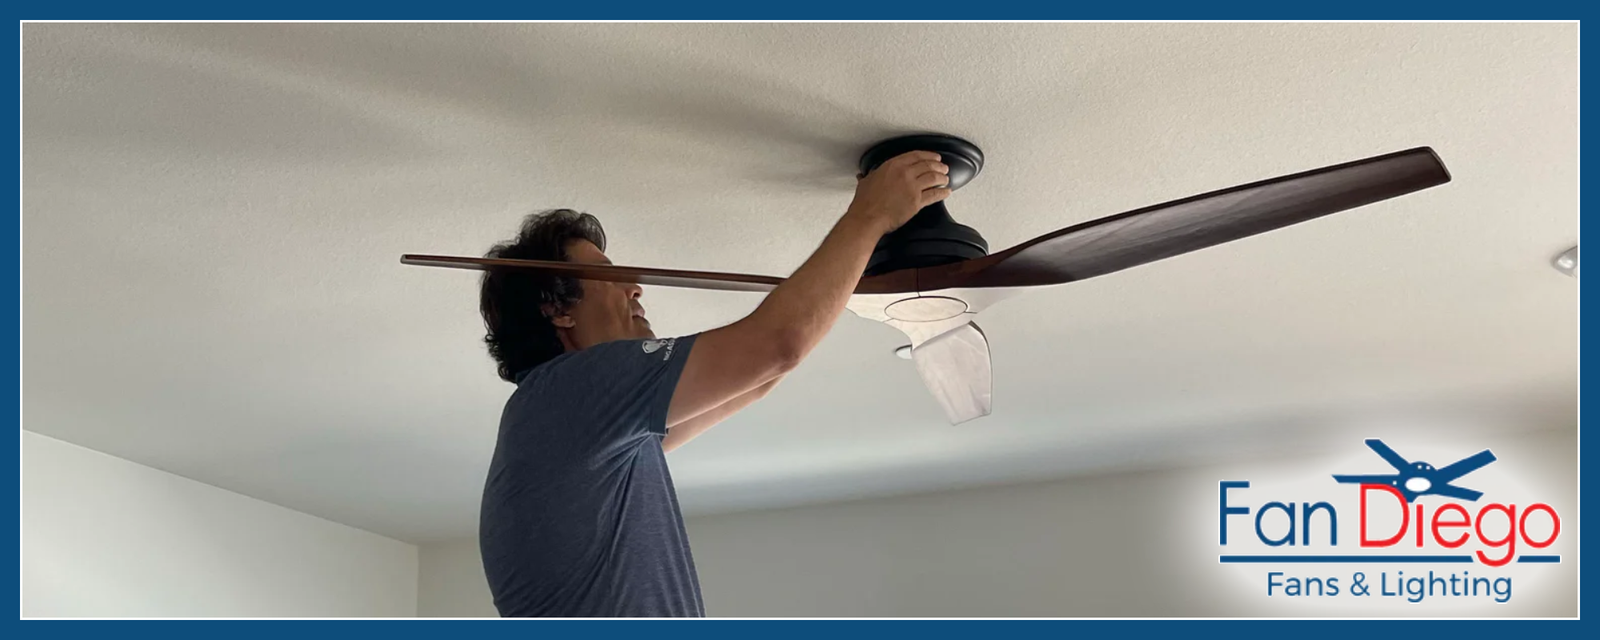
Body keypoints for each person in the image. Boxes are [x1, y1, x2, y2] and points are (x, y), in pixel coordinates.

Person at [475, 150, 951, 617]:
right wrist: (869, 216)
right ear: (557, 309)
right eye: (610, 277)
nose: (635, 286)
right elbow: (776, 346)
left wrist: (845, 267)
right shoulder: (571, 393)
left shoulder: (575, 428)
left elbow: (761, 376)